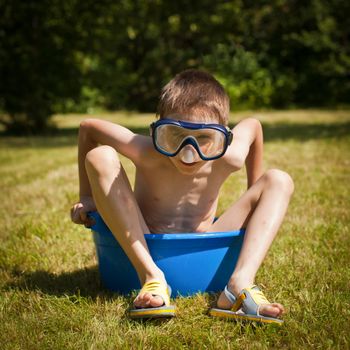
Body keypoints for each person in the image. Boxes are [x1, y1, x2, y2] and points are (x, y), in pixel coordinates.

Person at [70, 69, 294, 323]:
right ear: (158, 131)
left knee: (279, 179)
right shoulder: (145, 151)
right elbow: (88, 128)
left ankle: (238, 285)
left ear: (223, 137)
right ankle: (151, 277)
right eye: (175, 136)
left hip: (205, 236)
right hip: (143, 236)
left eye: (204, 138)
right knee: (99, 156)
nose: (189, 152)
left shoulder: (230, 156)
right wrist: (86, 197)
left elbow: (253, 126)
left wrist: (254, 187)